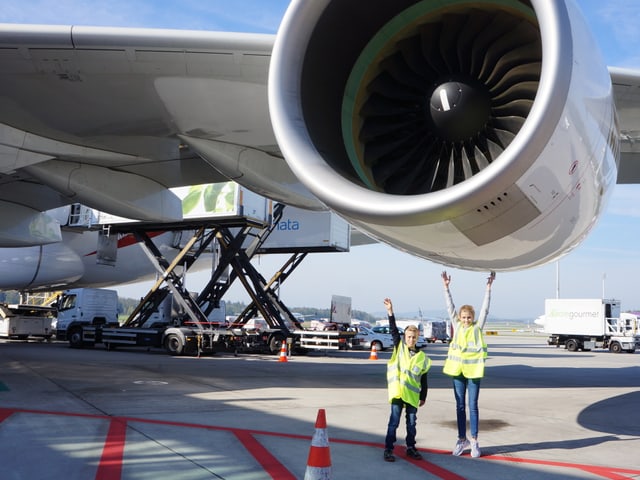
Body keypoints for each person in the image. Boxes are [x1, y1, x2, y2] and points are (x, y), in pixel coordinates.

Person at [441, 270, 495, 458]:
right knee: (460, 407)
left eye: (468, 317)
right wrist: (446, 288)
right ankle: (461, 439)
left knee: (473, 405)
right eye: (463, 317)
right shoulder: (457, 326)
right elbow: (450, 308)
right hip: (458, 372)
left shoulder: (477, 328)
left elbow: (485, 310)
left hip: (473, 372)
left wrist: (488, 289)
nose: (465, 320)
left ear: (472, 318)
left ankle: (474, 440)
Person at [383, 297, 431, 462]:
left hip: (412, 396)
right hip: (398, 393)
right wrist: (390, 312)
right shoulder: (399, 349)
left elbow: (423, 378)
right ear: (405, 337)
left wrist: (423, 395)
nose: (411, 339)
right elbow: (393, 330)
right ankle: (388, 449)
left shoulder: (422, 357)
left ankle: (410, 447)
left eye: (413, 337)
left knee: (411, 424)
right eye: (408, 336)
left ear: (417, 338)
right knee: (394, 422)